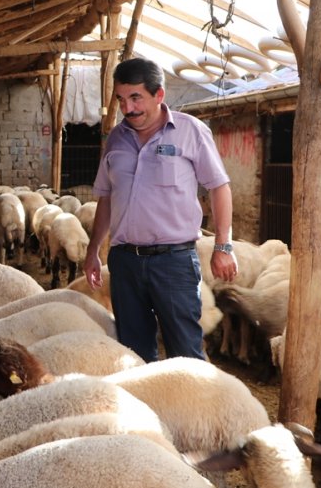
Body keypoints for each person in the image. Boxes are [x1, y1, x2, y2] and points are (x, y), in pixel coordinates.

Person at [83, 57, 237, 362]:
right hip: (125, 262)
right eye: (121, 100)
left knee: (185, 351)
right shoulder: (115, 138)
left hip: (173, 262)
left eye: (136, 98)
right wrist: (92, 251)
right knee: (132, 351)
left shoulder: (190, 131)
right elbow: (106, 198)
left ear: (159, 95)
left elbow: (219, 187)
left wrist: (223, 245)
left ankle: (193, 408)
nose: (128, 109)